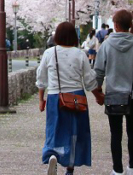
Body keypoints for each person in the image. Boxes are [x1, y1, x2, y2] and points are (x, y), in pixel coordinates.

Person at [94, 9, 133, 175]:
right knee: (132, 131)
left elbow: (98, 72)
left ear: (115, 25)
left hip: (112, 95)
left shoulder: (106, 45)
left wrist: (98, 92)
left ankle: (117, 170)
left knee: (115, 133)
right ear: (130, 25)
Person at [37, 21, 102, 175]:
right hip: (75, 97)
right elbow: (89, 80)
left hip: (54, 96)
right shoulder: (80, 54)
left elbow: (41, 78)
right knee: (74, 131)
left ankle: (52, 155)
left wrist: (41, 99)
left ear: (57, 36)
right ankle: (70, 169)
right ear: (74, 37)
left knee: (54, 129)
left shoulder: (49, 53)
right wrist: (98, 97)